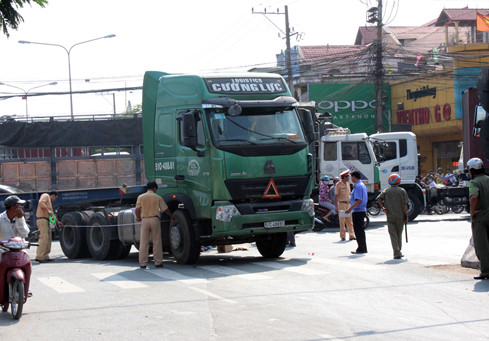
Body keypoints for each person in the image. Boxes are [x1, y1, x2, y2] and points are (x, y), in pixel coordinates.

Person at [135, 181, 174, 269]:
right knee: (156, 241)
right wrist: (172, 216)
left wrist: (138, 217)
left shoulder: (141, 197)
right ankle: (158, 262)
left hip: (145, 220)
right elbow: (165, 209)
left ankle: (143, 263)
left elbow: (137, 209)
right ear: (154, 188)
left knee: (144, 242)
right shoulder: (157, 197)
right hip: (155, 219)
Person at [376, 173, 409, 259]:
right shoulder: (402, 191)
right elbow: (405, 205)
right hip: (400, 216)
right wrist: (406, 216)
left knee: (393, 234)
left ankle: (396, 252)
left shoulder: (386, 191)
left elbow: (378, 199)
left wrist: (383, 208)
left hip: (390, 216)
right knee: (399, 234)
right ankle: (398, 251)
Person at [467, 158, 489, 280]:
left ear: (472, 171)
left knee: (482, 246)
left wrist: (472, 212)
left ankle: (486, 272)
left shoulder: (474, 183)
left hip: (480, 218)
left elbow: (474, 197)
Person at [0, 195, 30, 262]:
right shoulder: (1, 219)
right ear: (12, 207)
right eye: (18, 205)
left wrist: (20, 219)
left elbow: (24, 234)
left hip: (18, 249)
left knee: (26, 260)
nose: (20, 207)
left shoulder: (20, 218)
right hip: (3, 250)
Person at [346, 171, 368, 254]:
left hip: (358, 210)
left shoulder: (358, 186)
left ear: (354, 177)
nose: (351, 179)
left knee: (358, 230)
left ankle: (361, 248)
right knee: (360, 230)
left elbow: (358, 200)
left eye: (352, 177)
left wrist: (350, 209)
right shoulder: (361, 185)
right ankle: (362, 247)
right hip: (360, 210)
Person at [36, 191, 59, 263]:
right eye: (56, 197)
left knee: (48, 239)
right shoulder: (45, 195)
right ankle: (40, 256)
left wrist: (57, 222)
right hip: (42, 219)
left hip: (46, 220)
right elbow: (40, 202)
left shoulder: (49, 204)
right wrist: (47, 210)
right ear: (53, 195)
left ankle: (45, 256)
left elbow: (51, 217)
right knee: (44, 238)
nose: (55, 199)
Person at [335, 170, 355, 241]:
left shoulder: (348, 184)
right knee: (342, 221)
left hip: (348, 204)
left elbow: (349, 194)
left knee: (349, 221)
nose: (349, 178)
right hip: (341, 204)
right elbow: (336, 195)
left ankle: (351, 235)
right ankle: (342, 236)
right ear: (344, 177)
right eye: (347, 176)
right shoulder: (338, 184)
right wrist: (336, 206)